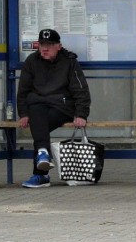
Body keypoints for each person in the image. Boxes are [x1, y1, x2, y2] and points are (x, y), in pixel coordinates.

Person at [16, 29, 91, 188]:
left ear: (59, 46)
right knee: (36, 113)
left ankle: (41, 174)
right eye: (42, 44)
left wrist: (81, 114)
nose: (44, 48)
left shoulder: (69, 61)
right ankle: (43, 156)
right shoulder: (31, 61)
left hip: (62, 107)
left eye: (49, 45)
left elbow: (81, 89)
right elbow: (23, 90)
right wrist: (23, 113)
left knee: (38, 125)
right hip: (38, 106)